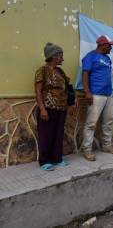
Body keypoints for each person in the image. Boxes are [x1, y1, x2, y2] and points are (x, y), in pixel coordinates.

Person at [35, 42, 77, 171]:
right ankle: (44, 161)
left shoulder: (60, 71)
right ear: (54, 56)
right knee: (46, 135)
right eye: (61, 56)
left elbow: (68, 87)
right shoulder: (42, 71)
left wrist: (74, 98)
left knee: (58, 134)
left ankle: (57, 158)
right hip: (47, 108)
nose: (63, 59)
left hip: (61, 108)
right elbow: (38, 91)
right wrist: (42, 109)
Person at [81, 35, 113, 161]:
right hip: (96, 94)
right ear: (102, 45)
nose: (111, 48)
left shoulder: (107, 58)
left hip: (108, 94)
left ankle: (106, 146)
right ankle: (87, 149)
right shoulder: (90, 56)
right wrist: (87, 92)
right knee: (91, 123)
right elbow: (85, 73)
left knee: (108, 121)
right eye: (109, 45)